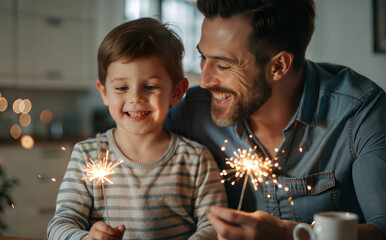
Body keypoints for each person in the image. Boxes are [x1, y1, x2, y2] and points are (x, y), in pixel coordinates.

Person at [165, 0, 386, 239]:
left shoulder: (360, 112)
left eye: (223, 65)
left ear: (279, 66)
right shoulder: (193, 111)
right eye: (202, 57)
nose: (206, 80)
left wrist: (288, 234)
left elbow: (383, 227)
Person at [47, 17, 227, 240]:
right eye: (122, 87)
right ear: (103, 92)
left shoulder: (196, 160)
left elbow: (215, 225)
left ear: (177, 92)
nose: (135, 98)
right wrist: (85, 238)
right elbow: (62, 222)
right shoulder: (87, 155)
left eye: (150, 86)